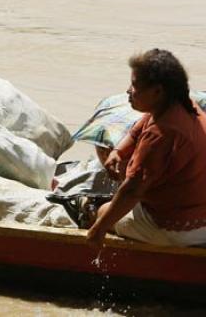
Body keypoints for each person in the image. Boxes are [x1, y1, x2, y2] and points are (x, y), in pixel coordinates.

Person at [87, 49, 206, 247]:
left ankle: (87, 211)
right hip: (198, 212)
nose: (128, 91)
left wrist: (98, 230)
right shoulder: (185, 106)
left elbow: (132, 190)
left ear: (157, 91)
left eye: (134, 85)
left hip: (178, 230)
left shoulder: (160, 134)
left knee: (101, 212)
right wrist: (118, 152)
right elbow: (139, 127)